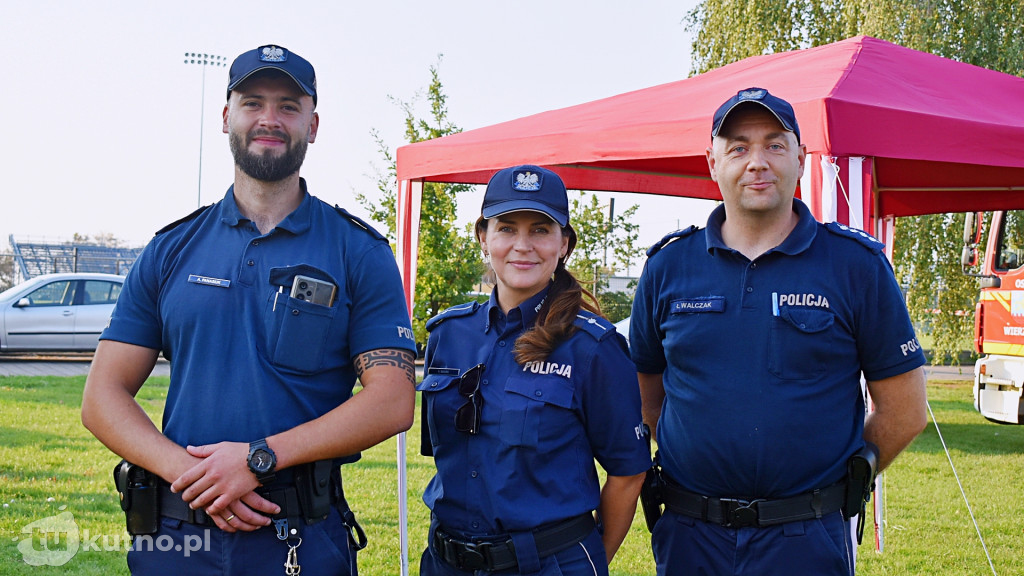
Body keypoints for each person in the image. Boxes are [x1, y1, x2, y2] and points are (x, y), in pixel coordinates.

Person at [81, 44, 417, 576]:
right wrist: (191, 473)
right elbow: (102, 396)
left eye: (288, 106)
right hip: (177, 535)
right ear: (225, 117)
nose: (269, 119)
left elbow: (393, 401)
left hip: (298, 538)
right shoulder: (171, 249)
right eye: (253, 102)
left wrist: (259, 458)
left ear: (313, 124)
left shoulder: (359, 252)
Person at [629, 88, 929, 575]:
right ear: (712, 162)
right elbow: (646, 398)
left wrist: (852, 474)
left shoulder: (856, 266)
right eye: (739, 147)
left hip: (807, 536)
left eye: (774, 144)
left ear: (801, 159)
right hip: (691, 536)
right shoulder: (668, 266)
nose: (757, 162)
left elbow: (905, 409)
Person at [417, 165, 650, 575]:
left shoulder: (593, 347)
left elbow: (628, 474)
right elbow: (444, 454)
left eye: (540, 230)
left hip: (547, 563)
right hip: (446, 561)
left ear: (563, 244)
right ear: (483, 238)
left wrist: (588, 561)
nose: (522, 245)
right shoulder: (449, 333)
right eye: (506, 228)